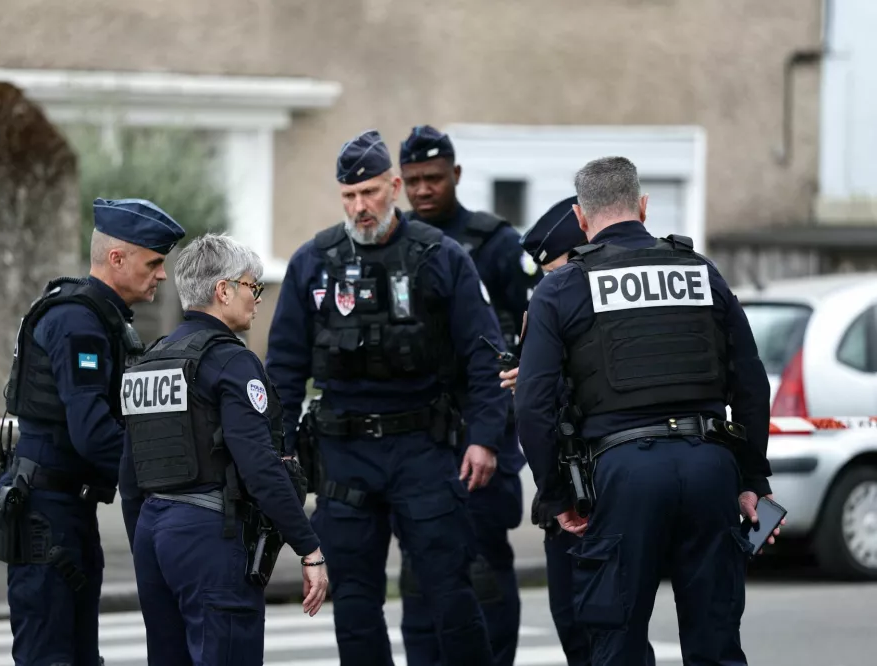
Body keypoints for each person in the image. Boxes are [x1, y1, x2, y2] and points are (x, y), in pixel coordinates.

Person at [514, 156, 784, 666]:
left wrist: (557, 496)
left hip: (623, 476)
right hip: (710, 468)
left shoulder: (562, 288)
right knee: (716, 644)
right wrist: (753, 478)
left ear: (580, 217)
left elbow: (533, 404)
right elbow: (751, 383)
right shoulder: (701, 272)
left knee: (616, 645)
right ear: (643, 206)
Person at [265, 129, 509, 666]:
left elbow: (484, 354)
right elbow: (282, 368)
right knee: (354, 603)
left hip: (422, 447)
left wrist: (485, 438)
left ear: (393, 188)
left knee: (450, 590)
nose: (360, 206)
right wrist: (279, 450)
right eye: (349, 195)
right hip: (343, 453)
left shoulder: (441, 256)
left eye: (370, 192)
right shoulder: (313, 262)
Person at [119, 233, 329, 665]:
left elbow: (130, 471)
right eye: (252, 286)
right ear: (224, 290)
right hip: (210, 535)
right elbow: (260, 465)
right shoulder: (233, 361)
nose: (257, 297)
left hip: (152, 534)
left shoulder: (150, 360)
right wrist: (308, 548)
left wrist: (147, 543)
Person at [0, 198, 185, 666]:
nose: (162, 275)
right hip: (47, 515)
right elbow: (94, 433)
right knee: (49, 657)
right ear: (116, 258)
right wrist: (165, 476)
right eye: (153, 263)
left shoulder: (100, 316)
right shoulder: (78, 322)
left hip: (67, 509)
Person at [395, 124, 538, 666]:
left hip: (483, 430)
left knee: (483, 567)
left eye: (433, 178)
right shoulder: (393, 241)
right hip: (418, 436)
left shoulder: (494, 242)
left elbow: (532, 331)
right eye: (413, 180)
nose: (423, 189)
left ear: (454, 174)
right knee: (419, 570)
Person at [503, 195, 656, 666]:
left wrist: (543, 380)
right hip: (569, 487)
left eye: (555, 270)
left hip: (602, 486)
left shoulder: (613, 296)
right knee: (574, 626)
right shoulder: (556, 299)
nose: (550, 282)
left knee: (610, 634)